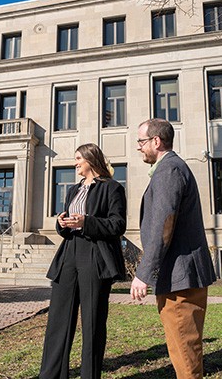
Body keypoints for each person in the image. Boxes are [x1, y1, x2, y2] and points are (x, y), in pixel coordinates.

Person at [130, 118, 217, 379]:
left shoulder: (168, 170)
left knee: (185, 353)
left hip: (181, 280)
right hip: (181, 276)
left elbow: (163, 225)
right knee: (184, 350)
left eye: (141, 142)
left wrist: (143, 272)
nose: (138, 148)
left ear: (156, 141)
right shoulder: (170, 168)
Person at [39, 143, 127, 379]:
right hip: (69, 252)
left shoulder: (112, 188)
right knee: (58, 317)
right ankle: (52, 375)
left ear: (90, 159)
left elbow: (118, 225)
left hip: (95, 255)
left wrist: (85, 222)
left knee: (92, 321)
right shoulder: (74, 190)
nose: (75, 162)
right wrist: (62, 223)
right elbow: (68, 225)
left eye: (78, 158)